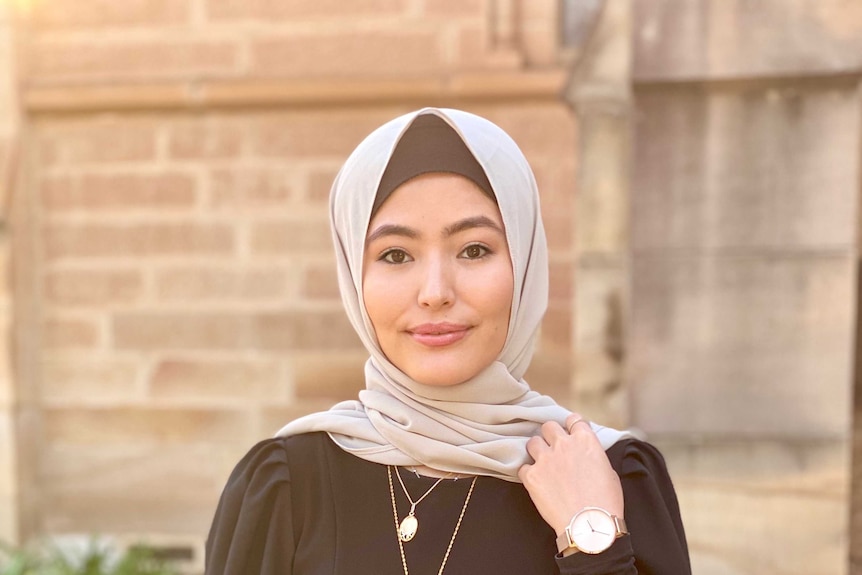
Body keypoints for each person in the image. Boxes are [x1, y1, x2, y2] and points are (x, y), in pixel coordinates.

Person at [205, 108, 691, 574]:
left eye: (474, 250)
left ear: (523, 266)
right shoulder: (286, 485)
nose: (435, 292)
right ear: (355, 277)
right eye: (395, 255)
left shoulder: (611, 475)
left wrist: (591, 538)